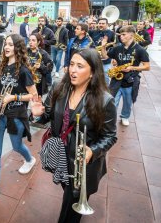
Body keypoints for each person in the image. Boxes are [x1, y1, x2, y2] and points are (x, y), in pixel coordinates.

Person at [31, 48, 117, 223]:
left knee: (69, 209)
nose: (73, 70)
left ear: (92, 72)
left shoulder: (104, 100)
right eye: (71, 64)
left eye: (80, 66)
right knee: (68, 194)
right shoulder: (59, 88)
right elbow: (47, 115)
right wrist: (37, 113)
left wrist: (92, 151)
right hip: (61, 158)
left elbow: (110, 136)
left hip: (83, 166)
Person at [0, 33, 38, 209]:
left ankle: (29, 159)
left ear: (17, 47)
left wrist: (13, 97)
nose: (6, 47)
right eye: (5, 45)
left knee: (17, 146)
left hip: (16, 115)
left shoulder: (24, 70)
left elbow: (34, 96)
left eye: (10, 44)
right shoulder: (0, 65)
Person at [100, 25, 150, 126]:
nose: (121, 37)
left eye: (123, 34)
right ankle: (110, 119)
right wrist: (103, 46)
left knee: (128, 102)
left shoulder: (140, 50)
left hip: (130, 80)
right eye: (120, 34)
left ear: (131, 35)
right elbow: (105, 56)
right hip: (116, 79)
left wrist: (132, 68)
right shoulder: (118, 48)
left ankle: (125, 116)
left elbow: (147, 67)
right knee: (112, 101)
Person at [92, 18, 116, 84]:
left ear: (107, 24)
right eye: (99, 23)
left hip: (106, 60)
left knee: (106, 79)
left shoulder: (111, 33)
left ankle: (105, 93)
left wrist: (114, 58)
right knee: (94, 79)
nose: (101, 25)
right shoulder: (93, 32)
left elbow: (115, 45)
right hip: (95, 59)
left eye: (103, 23)